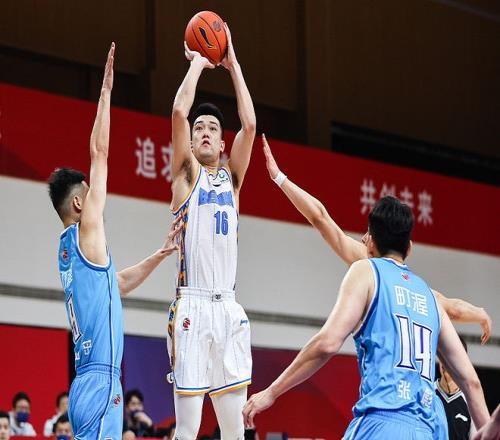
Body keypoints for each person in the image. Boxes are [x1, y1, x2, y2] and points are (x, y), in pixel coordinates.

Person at [243, 196, 490, 439]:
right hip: (426, 431)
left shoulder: (365, 270)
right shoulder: (432, 299)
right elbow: (471, 382)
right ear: (409, 248)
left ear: (370, 242)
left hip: (381, 423)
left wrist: (271, 392)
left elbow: (327, 343)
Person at [48, 43, 182, 440]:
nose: (97, 201)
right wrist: (106, 93)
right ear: (78, 203)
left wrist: (159, 255)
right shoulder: (86, 230)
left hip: (86, 384)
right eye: (90, 194)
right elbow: (100, 152)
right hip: (100, 381)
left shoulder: (70, 251)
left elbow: (116, 284)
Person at [259, 134, 492, 344]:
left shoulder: (368, 264)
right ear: (409, 248)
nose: (362, 239)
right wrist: (480, 314)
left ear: (371, 242)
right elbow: (453, 309)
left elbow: (320, 218)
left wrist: (279, 178)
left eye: (367, 234)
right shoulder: (421, 290)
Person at [168, 22, 256, 439]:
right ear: (190, 141)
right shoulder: (186, 175)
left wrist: (233, 64)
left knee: (234, 431)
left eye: (212, 129)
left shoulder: (232, 181)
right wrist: (199, 64)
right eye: (199, 128)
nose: (204, 131)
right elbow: (178, 112)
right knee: (188, 429)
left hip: (229, 307)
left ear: (223, 144)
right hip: (193, 304)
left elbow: (250, 125)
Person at [436, 336, 476, 439]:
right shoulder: (426, 392)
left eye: (451, 355)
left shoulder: (472, 403)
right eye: (443, 354)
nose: (446, 361)